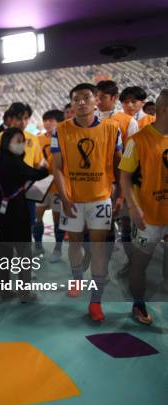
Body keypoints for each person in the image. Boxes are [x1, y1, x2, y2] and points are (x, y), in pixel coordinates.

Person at [52, 83, 123, 321]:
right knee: (74, 243)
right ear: (72, 104)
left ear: (96, 100)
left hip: (101, 198)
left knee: (98, 249)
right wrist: (64, 196)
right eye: (76, 99)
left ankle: (96, 301)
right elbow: (58, 167)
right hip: (72, 199)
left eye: (86, 98)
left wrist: (121, 194)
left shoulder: (112, 128)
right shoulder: (60, 130)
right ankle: (77, 279)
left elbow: (119, 164)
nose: (81, 102)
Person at [119, 89, 168, 326]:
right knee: (140, 265)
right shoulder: (137, 141)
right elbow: (125, 177)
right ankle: (138, 304)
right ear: (164, 110)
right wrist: (133, 207)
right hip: (148, 217)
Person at [0, 127, 49, 301]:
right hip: (17, 212)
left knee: (3, 251)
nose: (22, 144)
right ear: (7, 142)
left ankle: (5, 290)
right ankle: (24, 292)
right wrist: (45, 168)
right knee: (24, 251)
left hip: (1, 213)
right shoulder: (15, 162)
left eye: (23, 141)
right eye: (17, 141)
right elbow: (37, 173)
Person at [0, 102, 43, 230]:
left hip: (27, 193)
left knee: (27, 228)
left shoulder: (33, 139)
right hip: (5, 194)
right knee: (3, 230)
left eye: (26, 118)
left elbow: (37, 164)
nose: (23, 122)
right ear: (10, 119)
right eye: (19, 118)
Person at [96, 80, 139, 268]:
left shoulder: (129, 122)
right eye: (96, 97)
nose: (98, 101)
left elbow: (133, 158)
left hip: (120, 182)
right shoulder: (90, 119)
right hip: (97, 183)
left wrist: (124, 190)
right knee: (104, 227)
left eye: (103, 97)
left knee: (126, 225)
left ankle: (132, 264)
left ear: (114, 98)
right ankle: (104, 267)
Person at [33, 110, 65, 261]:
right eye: (45, 120)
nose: (48, 123)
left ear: (59, 122)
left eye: (52, 120)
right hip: (39, 184)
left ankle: (58, 248)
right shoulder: (36, 139)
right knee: (36, 217)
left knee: (57, 219)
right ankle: (38, 246)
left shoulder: (65, 139)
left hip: (58, 185)